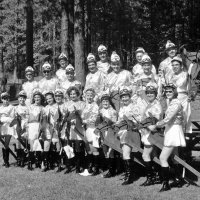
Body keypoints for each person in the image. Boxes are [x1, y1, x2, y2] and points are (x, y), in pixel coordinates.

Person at [149, 84, 186, 192]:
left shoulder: (176, 103)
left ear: (175, 92)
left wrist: (155, 125)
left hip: (173, 131)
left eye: (170, 91)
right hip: (171, 130)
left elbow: (168, 119)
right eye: (166, 91)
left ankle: (166, 184)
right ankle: (178, 179)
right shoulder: (171, 102)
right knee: (174, 157)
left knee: (162, 158)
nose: (168, 93)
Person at [115, 86, 142, 185]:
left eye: (126, 96)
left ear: (130, 96)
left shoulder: (134, 107)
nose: (124, 99)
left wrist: (130, 122)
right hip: (122, 132)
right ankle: (128, 174)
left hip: (131, 132)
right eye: (122, 97)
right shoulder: (122, 108)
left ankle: (130, 177)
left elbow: (138, 120)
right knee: (124, 153)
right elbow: (119, 120)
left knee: (126, 153)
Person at [139, 82, 162, 186]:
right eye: (147, 93)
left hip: (152, 134)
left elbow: (154, 123)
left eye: (152, 92)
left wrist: (145, 124)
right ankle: (158, 175)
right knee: (153, 155)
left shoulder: (157, 105)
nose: (149, 94)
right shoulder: (149, 104)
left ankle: (150, 178)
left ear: (155, 93)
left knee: (145, 155)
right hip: (146, 133)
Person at [65, 86, 86, 173]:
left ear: (77, 94)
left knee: (78, 147)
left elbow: (84, 115)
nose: (73, 95)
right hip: (70, 128)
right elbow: (64, 116)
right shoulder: (66, 104)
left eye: (74, 94)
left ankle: (78, 166)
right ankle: (69, 166)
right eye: (71, 94)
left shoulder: (82, 103)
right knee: (69, 147)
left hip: (79, 127)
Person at [79, 88, 100, 176]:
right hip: (87, 129)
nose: (89, 97)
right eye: (88, 95)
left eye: (91, 95)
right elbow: (82, 116)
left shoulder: (96, 106)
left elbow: (94, 119)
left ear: (94, 96)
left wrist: (84, 121)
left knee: (94, 148)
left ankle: (96, 168)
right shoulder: (85, 105)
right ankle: (90, 167)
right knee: (88, 148)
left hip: (94, 129)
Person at [169, 56, 192, 134]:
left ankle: (184, 139)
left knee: (184, 118)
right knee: (173, 118)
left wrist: (191, 96)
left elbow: (190, 87)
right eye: (173, 65)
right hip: (173, 99)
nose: (174, 66)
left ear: (181, 65)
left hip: (183, 99)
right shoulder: (170, 76)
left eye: (176, 64)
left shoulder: (186, 75)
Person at [98, 91, 118, 178]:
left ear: (110, 102)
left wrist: (109, 122)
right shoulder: (100, 111)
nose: (105, 103)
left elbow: (114, 123)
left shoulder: (113, 111)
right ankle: (109, 168)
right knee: (105, 150)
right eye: (103, 102)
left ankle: (112, 170)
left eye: (107, 101)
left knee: (111, 151)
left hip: (110, 132)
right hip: (102, 132)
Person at [27, 89, 46, 170]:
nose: (37, 99)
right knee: (31, 143)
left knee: (38, 143)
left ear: (41, 98)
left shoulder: (43, 107)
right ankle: (30, 163)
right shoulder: (30, 107)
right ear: (33, 98)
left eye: (38, 97)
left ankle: (38, 162)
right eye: (35, 97)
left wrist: (42, 128)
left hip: (39, 125)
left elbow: (44, 119)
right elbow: (27, 118)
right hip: (31, 126)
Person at [13, 90, 29, 167]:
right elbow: (13, 118)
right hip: (18, 125)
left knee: (24, 141)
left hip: (25, 125)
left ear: (25, 99)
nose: (21, 100)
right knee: (18, 142)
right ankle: (19, 158)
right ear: (18, 99)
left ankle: (23, 158)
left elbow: (28, 117)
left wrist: (25, 125)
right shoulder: (15, 107)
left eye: (23, 98)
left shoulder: (27, 107)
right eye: (20, 98)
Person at [0, 92, 15, 167]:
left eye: (7, 99)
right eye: (4, 99)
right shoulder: (0, 108)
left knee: (6, 144)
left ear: (9, 99)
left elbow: (11, 119)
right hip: (1, 127)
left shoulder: (11, 107)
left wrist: (2, 119)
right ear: (1, 99)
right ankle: (4, 160)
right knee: (3, 145)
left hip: (8, 127)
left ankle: (7, 162)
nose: (5, 101)